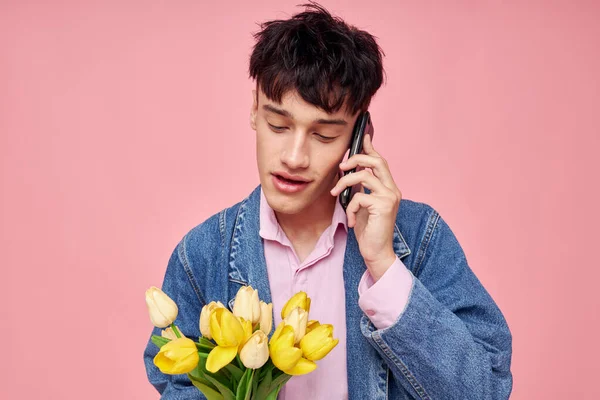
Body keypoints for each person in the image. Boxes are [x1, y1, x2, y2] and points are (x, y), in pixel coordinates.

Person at [143, 3, 513, 399]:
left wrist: (385, 268)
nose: (294, 157)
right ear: (254, 109)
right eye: (278, 125)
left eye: (323, 135)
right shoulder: (203, 254)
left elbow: (486, 390)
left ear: (359, 136)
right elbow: (171, 375)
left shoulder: (420, 240)